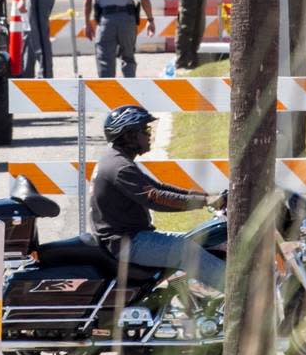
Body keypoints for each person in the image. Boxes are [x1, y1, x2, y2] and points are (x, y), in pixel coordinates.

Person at [90, 105, 227, 294]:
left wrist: (207, 197)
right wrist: (203, 202)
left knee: (200, 239)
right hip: (126, 242)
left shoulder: (117, 160)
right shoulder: (119, 167)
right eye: (144, 131)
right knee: (185, 249)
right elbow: (156, 198)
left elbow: (158, 188)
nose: (149, 135)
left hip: (131, 237)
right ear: (129, 135)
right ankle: (241, 296)